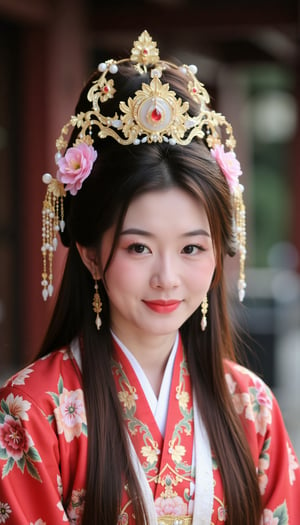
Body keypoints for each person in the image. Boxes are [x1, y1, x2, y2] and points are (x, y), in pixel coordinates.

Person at [0, 30, 299, 525]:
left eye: (191, 248)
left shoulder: (252, 409)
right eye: (138, 247)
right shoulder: (31, 414)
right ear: (91, 255)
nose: (167, 278)